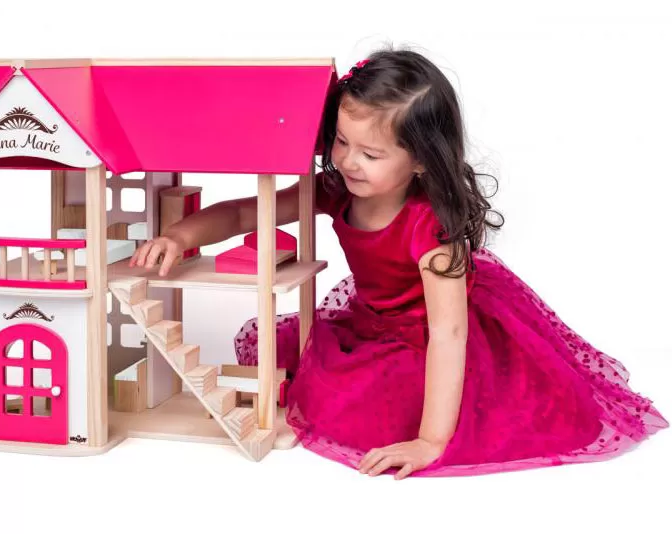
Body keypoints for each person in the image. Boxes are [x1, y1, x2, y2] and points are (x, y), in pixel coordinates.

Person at [129, 48, 668, 479]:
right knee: (302, 358)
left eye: (371, 153)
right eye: (342, 142)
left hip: (434, 335)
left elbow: (449, 335)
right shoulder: (337, 189)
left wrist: (431, 440)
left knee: (382, 407)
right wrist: (181, 234)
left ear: (420, 161)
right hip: (373, 323)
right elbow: (249, 211)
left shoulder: (429, 229)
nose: (348, 161)